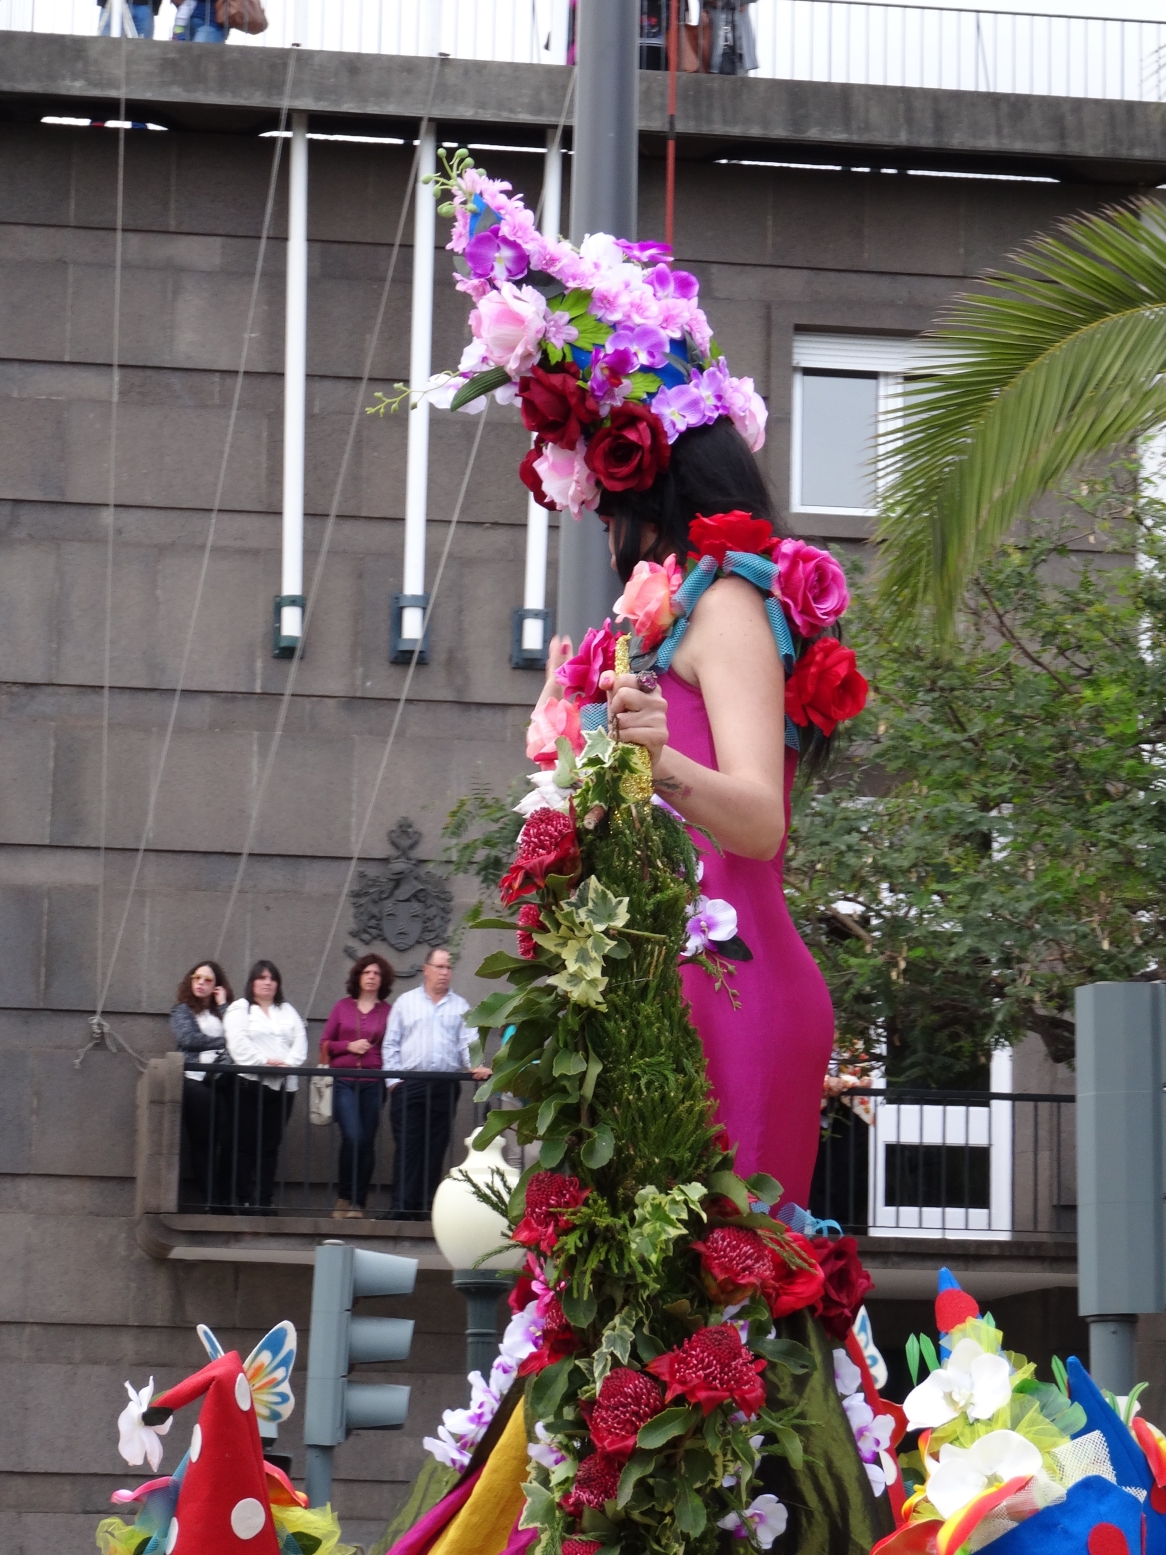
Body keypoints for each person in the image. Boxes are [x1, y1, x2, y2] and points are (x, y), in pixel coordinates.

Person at [533, 417, 837, 1212]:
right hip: (665, 986)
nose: (604, 531)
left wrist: (656, 760)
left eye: (610, 508)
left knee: (721, 1273)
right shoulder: (665, 623)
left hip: (731, 991)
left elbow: (760, 821)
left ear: (655, 497)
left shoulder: (728, 605)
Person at [381, 948, 490, 1220]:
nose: (444, 973)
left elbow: (468, 1042)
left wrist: (475, 1065)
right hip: (410, 1083)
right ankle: (401, 1205)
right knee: (408, 1144)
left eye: (448, 968)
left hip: (444, 1085)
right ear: (426, 969)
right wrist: (394, 1082)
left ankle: (424, 1206)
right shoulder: (405, 1002)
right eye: (439, 967)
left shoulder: (460, 1006)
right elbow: (391, 1044)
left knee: (435, 1145)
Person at [223, 961, 306, 1213]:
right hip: (250, 1085)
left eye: (272, 978)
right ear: (252, 982)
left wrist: (287, 1064)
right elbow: (238, 1043)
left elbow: (300, 1042)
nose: (267, 982)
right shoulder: (241, 1008)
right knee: (245, 1144)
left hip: (283, 1087)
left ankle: (264, 1201)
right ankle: (244, 1199)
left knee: (270, 1146)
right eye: (262, 978)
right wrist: (263, 1064)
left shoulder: (287, 1010)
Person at [319, 953, 394, 1220]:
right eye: (367, 972)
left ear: (382, 980)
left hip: (374, 1082)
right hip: (344, 1082)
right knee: (353, 1137)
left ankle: (356, 1203)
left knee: (366, 1141)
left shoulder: (388, 1011)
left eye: (377, 973)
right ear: (358, 977)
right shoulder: (342, 1007)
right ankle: (344, 1195)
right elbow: (325, 1043)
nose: (372, 977)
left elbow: (393, 1045)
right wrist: (348, 1046)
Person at [170, 959, 234, 1211]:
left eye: (208, 980)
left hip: (223, 1081)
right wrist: (224, 1041)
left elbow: (238, 1034)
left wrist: (224, 1005)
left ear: (217, 985)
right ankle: (211, 1200)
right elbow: (188, 1039)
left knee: (227, 1140)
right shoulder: (182, 1010)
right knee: (204, 1141)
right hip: (194, 1080)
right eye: (197, 978)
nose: (201, 983)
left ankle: (223, 1198)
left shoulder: (222, 1012)